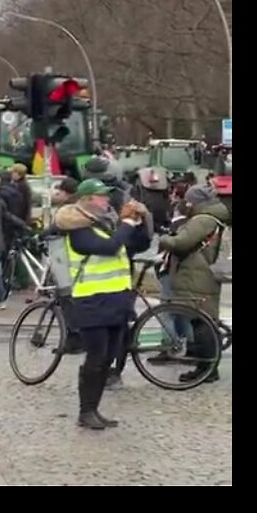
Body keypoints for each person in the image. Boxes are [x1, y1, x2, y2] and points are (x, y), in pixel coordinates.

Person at [52, 179, 151, 429]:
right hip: (92, 301)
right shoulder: (77, 229)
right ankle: (86, 411)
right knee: (96, 358)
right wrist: (126, 224)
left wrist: (140, 224)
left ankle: (94, 409)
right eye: (101, 196)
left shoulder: (106, 224)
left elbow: (135, 245)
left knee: (109, 357)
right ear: (87, 200)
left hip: (116, 300)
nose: (107, 200)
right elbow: (109, 247)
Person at [156, 184, 230, 384]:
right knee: (204, 321)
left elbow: (181, 242)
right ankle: (207, 367)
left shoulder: (202, 220)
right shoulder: (212, 218)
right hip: (203, 275)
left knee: (201, 322)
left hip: (196, 276)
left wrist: (164, 239)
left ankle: (206, 368)